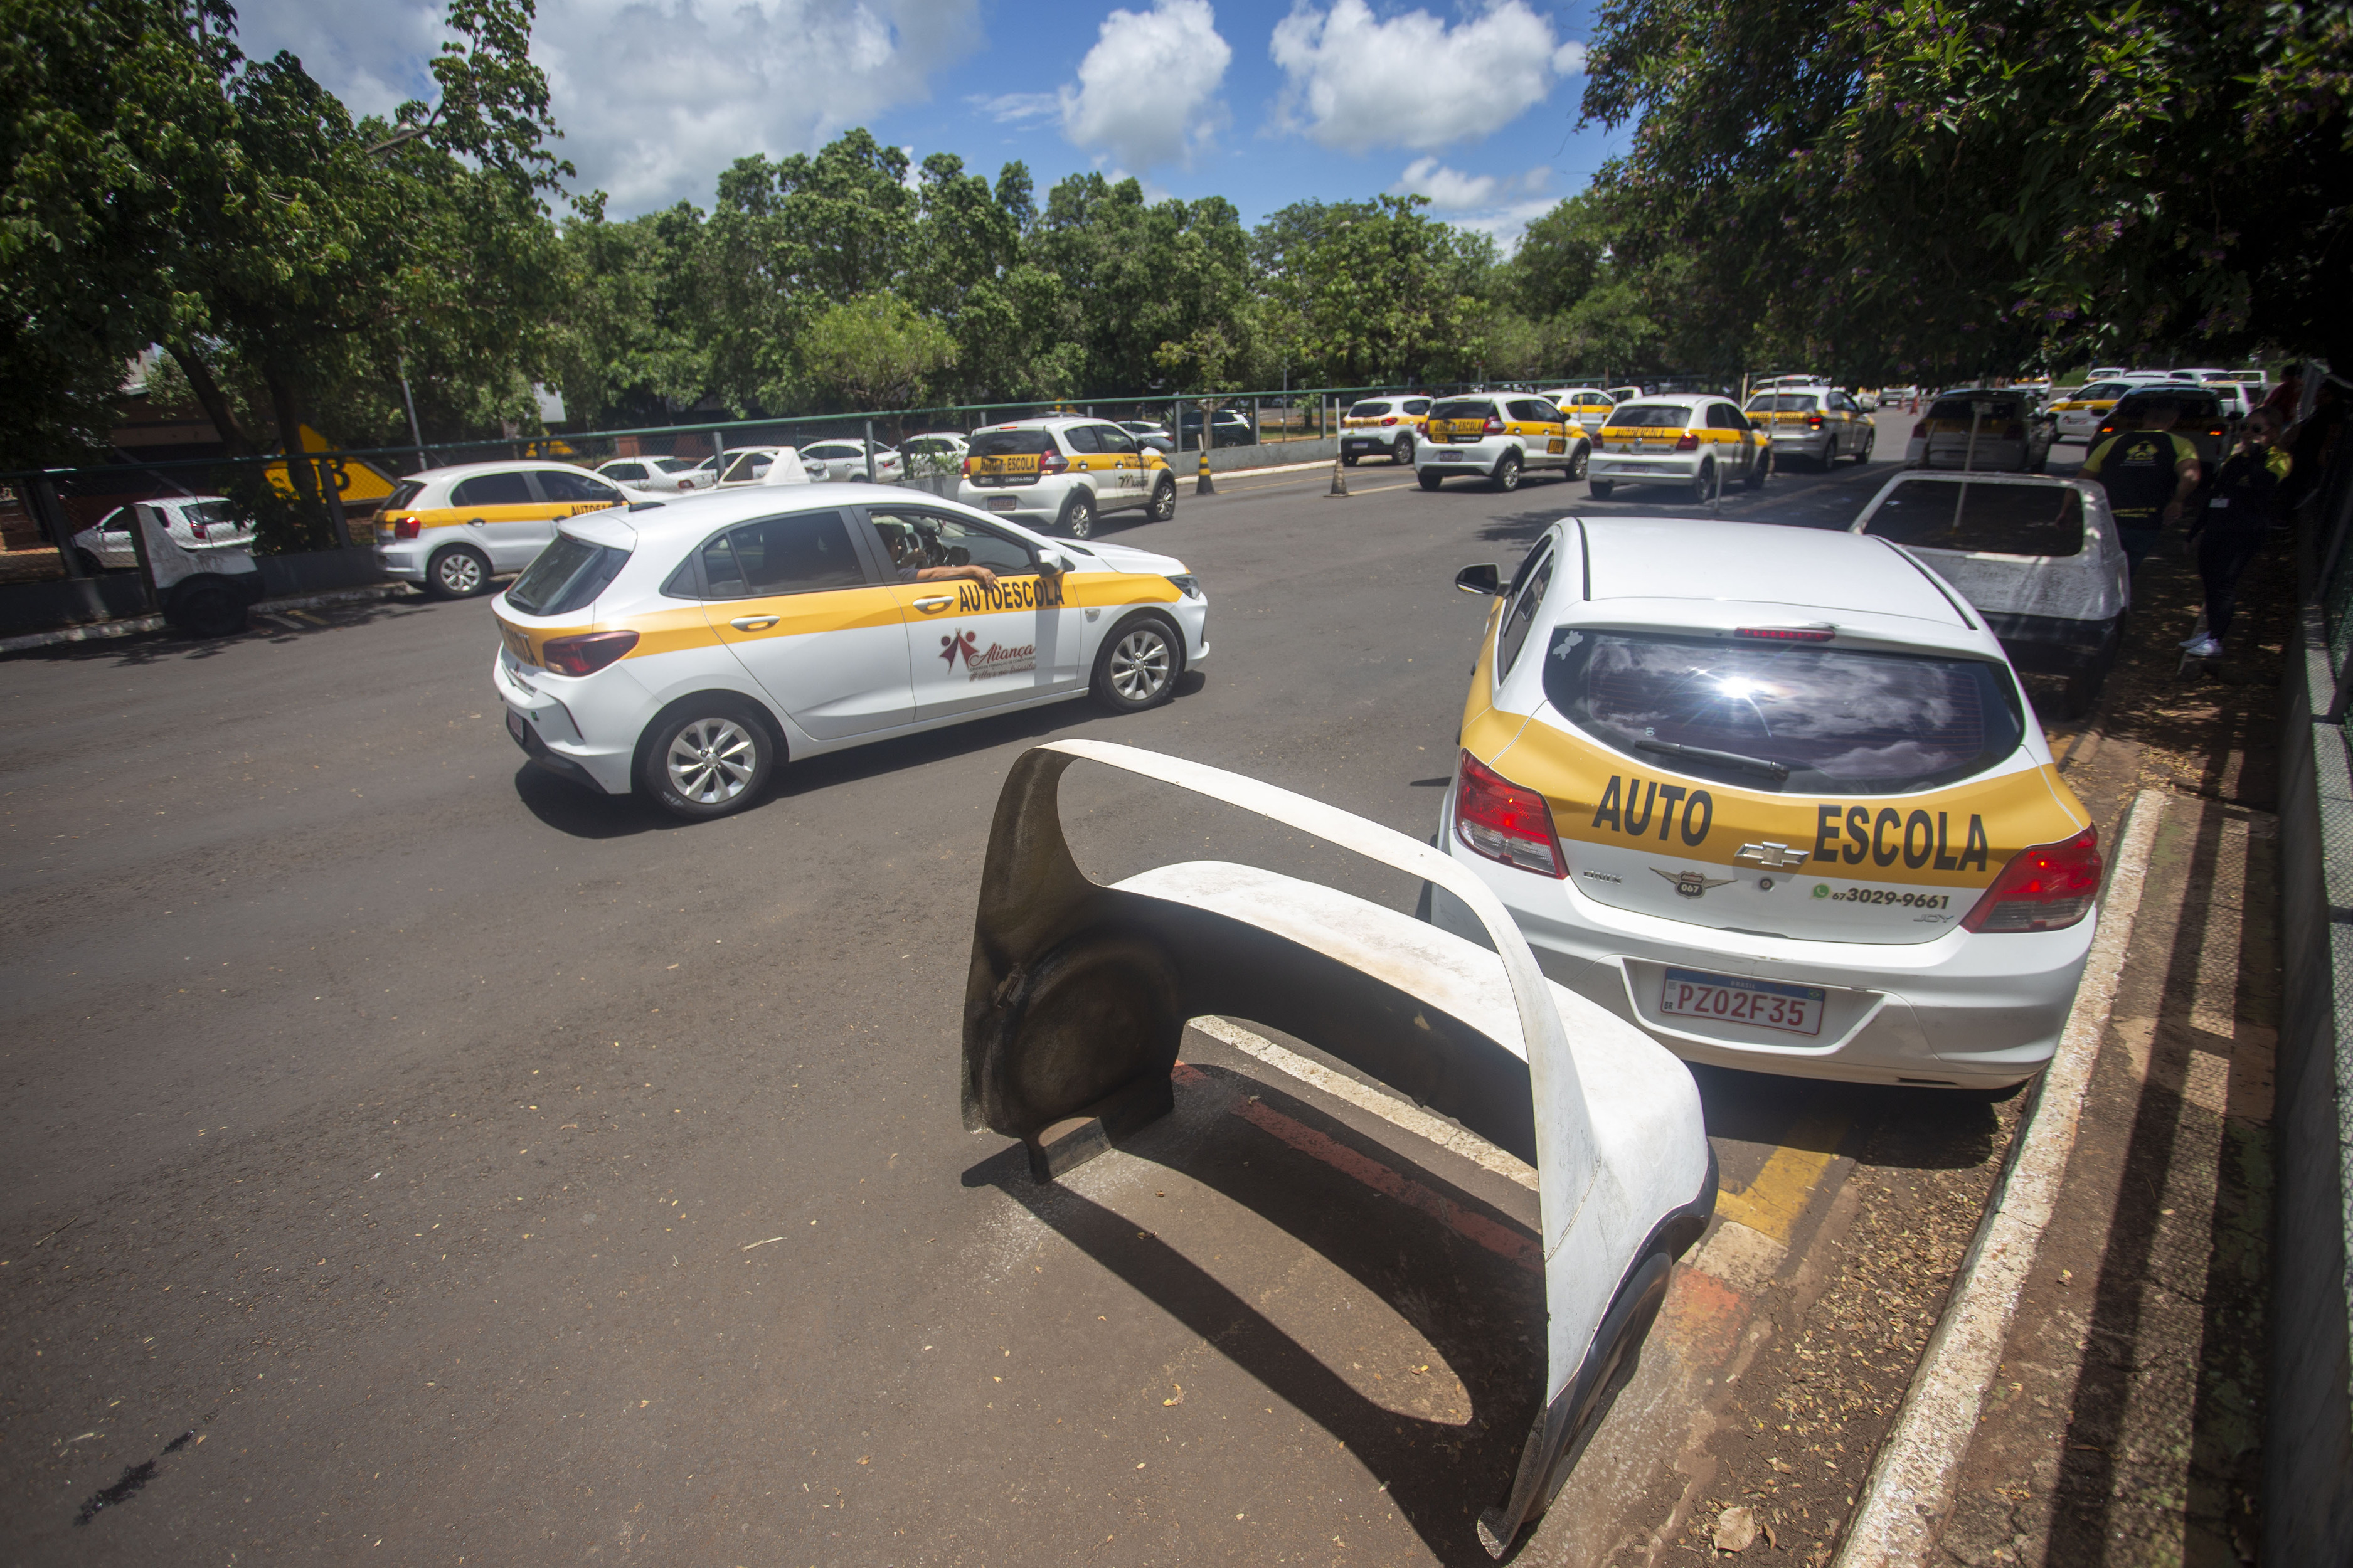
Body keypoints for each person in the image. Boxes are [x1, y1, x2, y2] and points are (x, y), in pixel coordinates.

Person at [2180, 411, 2290, 658]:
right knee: (2209, 581)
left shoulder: (2278, 458)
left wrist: (2256, 454)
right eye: (2245, 427)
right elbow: (2216, 494)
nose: (2249, 433)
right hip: (2219, 525)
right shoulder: (2235, 459)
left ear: (2271, 433)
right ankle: (2210, 632)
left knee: (2224, 582)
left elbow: (2265, 484)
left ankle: (2217, 639)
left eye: (2256, 429)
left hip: (2245, 530)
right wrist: (2195, 529)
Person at [2080, 398, 2202, 571]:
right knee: (2126, 571)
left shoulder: (2112, 443)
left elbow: (2084, 480)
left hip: (2108, 520)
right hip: (2146, 522)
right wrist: (2177, 501)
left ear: (2145, 419)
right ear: (2173, 421)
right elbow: (2191, 477)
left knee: (2100, 569)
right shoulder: (2181, 445)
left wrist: (2067, 510)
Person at [878, 522, 996, 589]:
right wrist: (973, 569)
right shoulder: (893, 572)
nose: (899, 547)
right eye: (896, 543)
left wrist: (905, 563)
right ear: (892, 548)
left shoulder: (876, 569)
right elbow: (933, 574)